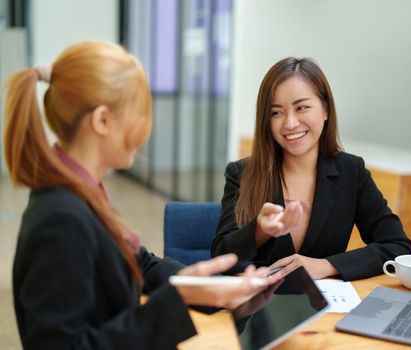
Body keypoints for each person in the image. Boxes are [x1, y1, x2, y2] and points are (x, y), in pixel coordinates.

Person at [4, 41, 276, 350]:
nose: (145, 129)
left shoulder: (84, 193)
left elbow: (139, 263)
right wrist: (178, 298)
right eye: (139, 114)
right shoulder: (61, 220)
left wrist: (211, 287)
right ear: (102, 120)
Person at [211, 57, 411, 281]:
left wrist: (327, 265)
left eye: (302, 107)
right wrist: (259, 230)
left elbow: (397, 246)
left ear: (325, 110)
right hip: (260, 306)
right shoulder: (243, 174)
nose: (290, 123)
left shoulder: (351, 171)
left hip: (328, 307)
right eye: (276, 112)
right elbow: (221, 257)